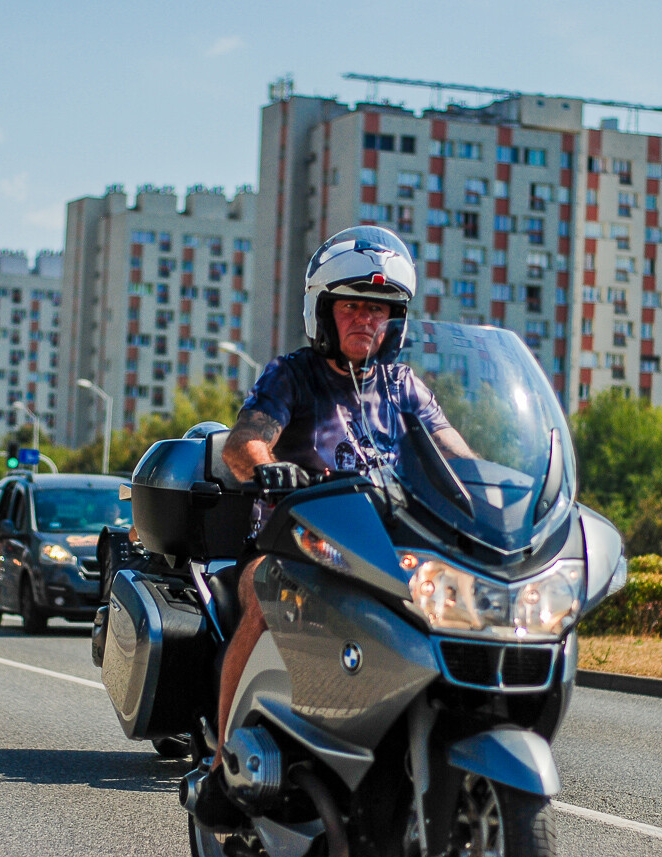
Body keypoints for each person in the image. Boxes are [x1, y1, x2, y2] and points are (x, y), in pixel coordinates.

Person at [191, 225, 475, 828]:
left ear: (394, 321)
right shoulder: (292, 375)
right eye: (352, 306)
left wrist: (498, 489)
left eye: (379, 309)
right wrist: (266, 468)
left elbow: (457, 456)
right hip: (294, 544)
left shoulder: (404, 388)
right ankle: (223, 761)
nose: (366, 320)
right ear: (323, 311)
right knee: (266, 593)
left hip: (384, 551)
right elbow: (245, 442)